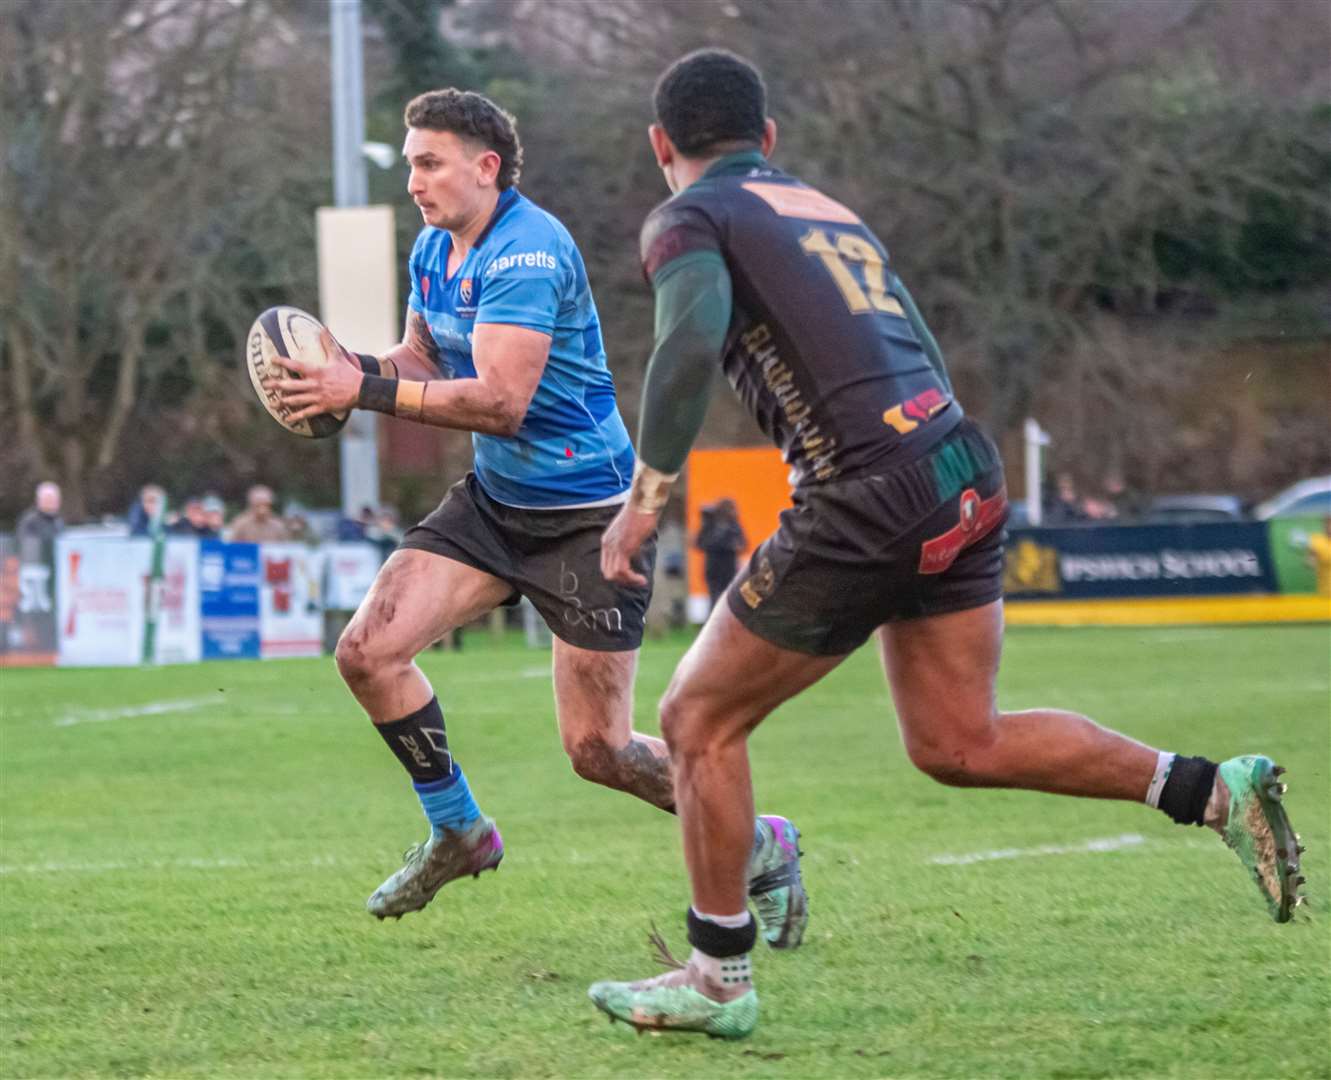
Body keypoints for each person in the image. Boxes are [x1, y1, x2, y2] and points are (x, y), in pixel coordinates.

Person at [588, 48, 1303, 1039]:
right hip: (955, 458)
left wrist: (644, 497)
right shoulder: (824, 210)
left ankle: (716, 976)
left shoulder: (687, 215)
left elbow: (686, 341)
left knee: (694, 718)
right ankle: (1207, 791)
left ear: (661, 144)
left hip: (863, 487)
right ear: (770, 140)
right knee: (957, 741)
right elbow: (916, 340)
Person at [263, 87, 807, 942]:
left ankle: (765, 841)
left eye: (429, 162)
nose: (413, 181)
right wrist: (344, 366)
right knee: (367, 653)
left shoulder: (527, 250)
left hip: (590, 521)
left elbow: (500, 400)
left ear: (486, 168)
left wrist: (358, 390)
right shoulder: (437, 249)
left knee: (600, 753)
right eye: (409, 163)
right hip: (495, 506)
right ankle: (459, 830)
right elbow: (422, 358)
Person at [694, 498, 747, 613]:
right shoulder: (711, 526)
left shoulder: (733, 526)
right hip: (715, 566)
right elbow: (699, 543)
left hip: (726, 567)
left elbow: (743, 544)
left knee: (725, 596)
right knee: (715, 596)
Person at [16, 481, 64, 564]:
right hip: (37, 566)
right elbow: (26, 546)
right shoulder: (30, 521)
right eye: (48, 499)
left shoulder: (59, 520)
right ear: (39, 501)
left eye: (54, 499)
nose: (51, 503)